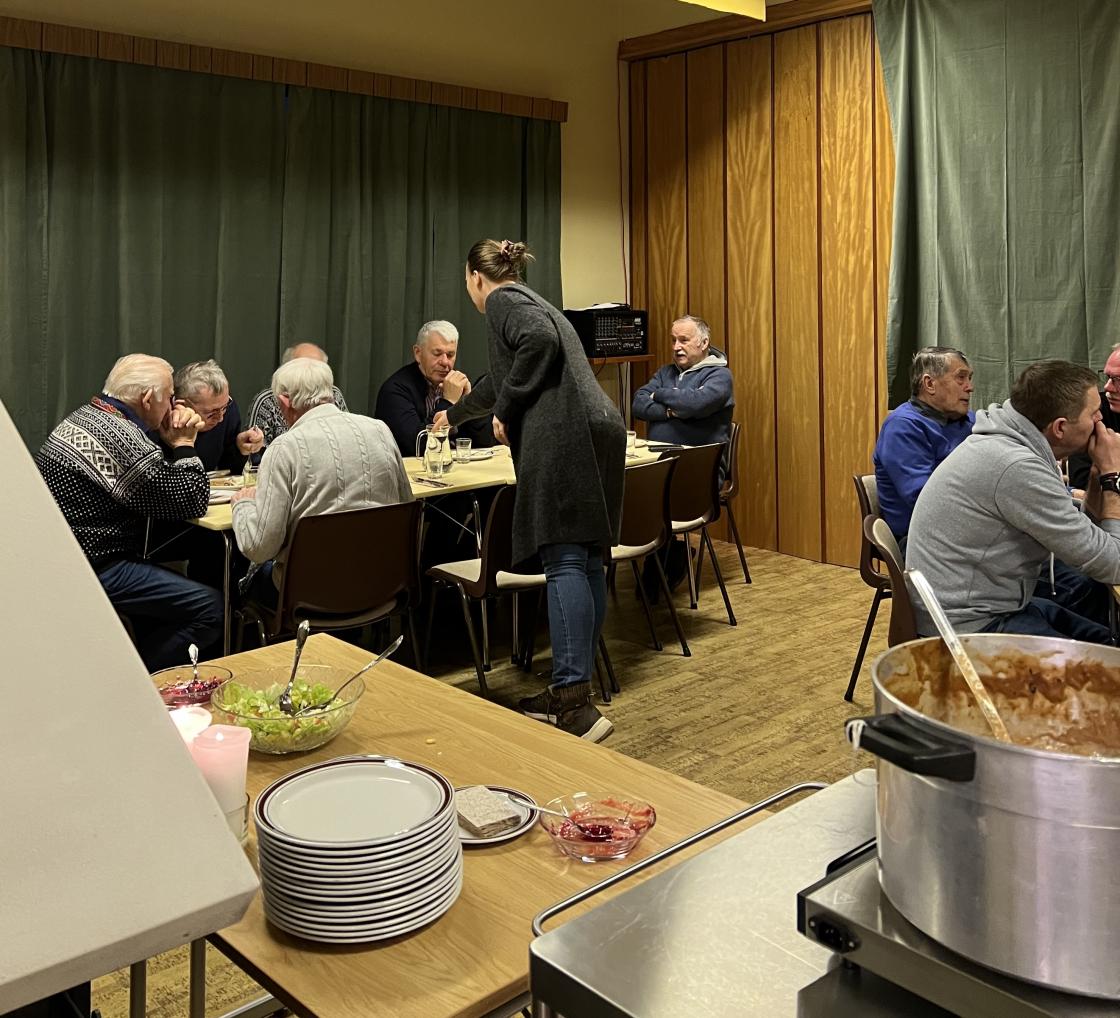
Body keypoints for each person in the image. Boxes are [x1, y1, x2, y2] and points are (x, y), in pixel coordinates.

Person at [435, 238, 625, 742]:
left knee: (564, 559)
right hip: (600, 426)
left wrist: (508, 409)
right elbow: (505, 380)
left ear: (476, 277)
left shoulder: (503, 301)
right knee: (586, 559)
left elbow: (535, 346)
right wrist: (455, 415)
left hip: (565, 433)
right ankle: (573, 692)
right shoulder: (536, 300)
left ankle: (573, 703)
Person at [907, 360, 1120, 642]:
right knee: (1108, 654)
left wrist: (1097, 471)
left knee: (1108, 639)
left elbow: (1087, 532)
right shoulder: (1016, 466)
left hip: (985, 606)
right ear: (1059, 428)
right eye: (1094, 414)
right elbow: (1113, 564)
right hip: (969, 629)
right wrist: (1112, 476)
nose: (1100, 421)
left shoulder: (1009, 443)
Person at [36, 354, 222, 670]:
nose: (173, 406)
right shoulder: (119, 435)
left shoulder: (89, 416)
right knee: (211, 608)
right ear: (147, 399)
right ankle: (136, 678)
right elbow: (190, 499)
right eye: (170, 398)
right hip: (95, 566)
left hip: (63, 556)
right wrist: (184, 443)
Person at [232, 357, 413, 604]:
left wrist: (242, 505)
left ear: (284, 402)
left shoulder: (284, 448)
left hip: (308, 595)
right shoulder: (380, 430)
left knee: (241, 576)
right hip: (382, 585)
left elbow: (260, 548)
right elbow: (406, 507)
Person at [873, 347, 975, 543]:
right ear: (929, 384)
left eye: (969, 378)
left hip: (962, 527)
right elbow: (926, 499)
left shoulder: (968, 420)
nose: (970, 387)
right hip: (924, 539)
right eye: (961, 378)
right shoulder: (903, 427)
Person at [374, 320, 496, 457]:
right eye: (437, 354)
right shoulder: (395, 390)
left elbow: (485, 442)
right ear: (418, 353)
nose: (445, 362)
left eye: (450, 355)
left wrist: (469, 403)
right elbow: (418, 447)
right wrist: (448, 402)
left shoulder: (455, 385)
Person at [631, 315, 734, 449]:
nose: (676, 347)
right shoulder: (665, 372)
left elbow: (696, 404)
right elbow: (638, 404)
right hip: (657, 453)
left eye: (683, 340)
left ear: (704, 343)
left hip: (700, 457)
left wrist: (659, 394)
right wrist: (669, 411)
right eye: (674, 340)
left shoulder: (720, 375)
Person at [167, 359, 264, 472]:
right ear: (182, 405)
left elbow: (229, 471)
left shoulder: (228, 409)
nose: (220, 418)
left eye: (224, 407)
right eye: (211, 413)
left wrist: (240, 449)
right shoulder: (159, 418)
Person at [246, 343, 348, 448]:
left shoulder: (334, 394)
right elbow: (254, 449)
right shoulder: (267, 401)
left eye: (317, 369)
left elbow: (346, 435)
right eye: (304, 369)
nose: (312, 375)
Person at [1067, 343, 1120, 490]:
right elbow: (1081, 479)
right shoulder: (1093, 411)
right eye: (1108, 377)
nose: (1108, 387)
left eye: (1119, 380)